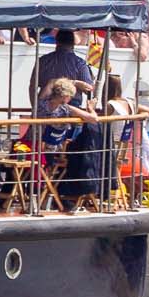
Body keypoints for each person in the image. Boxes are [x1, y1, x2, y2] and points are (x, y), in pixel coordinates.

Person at [42, 79, 105, 209]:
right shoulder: (66, 109)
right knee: (77, 157)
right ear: (65, 97)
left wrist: (74, 82)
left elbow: (50, 82)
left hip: (36, 148)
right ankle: (65, 198)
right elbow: (94, 119)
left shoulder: (41, 103)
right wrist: (91, 108)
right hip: (53, 154)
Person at [34, 28, 95, 96]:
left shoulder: (43, 60)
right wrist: (76, 83)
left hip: (46, 103)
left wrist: (36, 104)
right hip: (72, 103)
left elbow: (33, 87)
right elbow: (89, 90)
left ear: (57, 41)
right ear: (73, 43)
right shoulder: (79, 63)